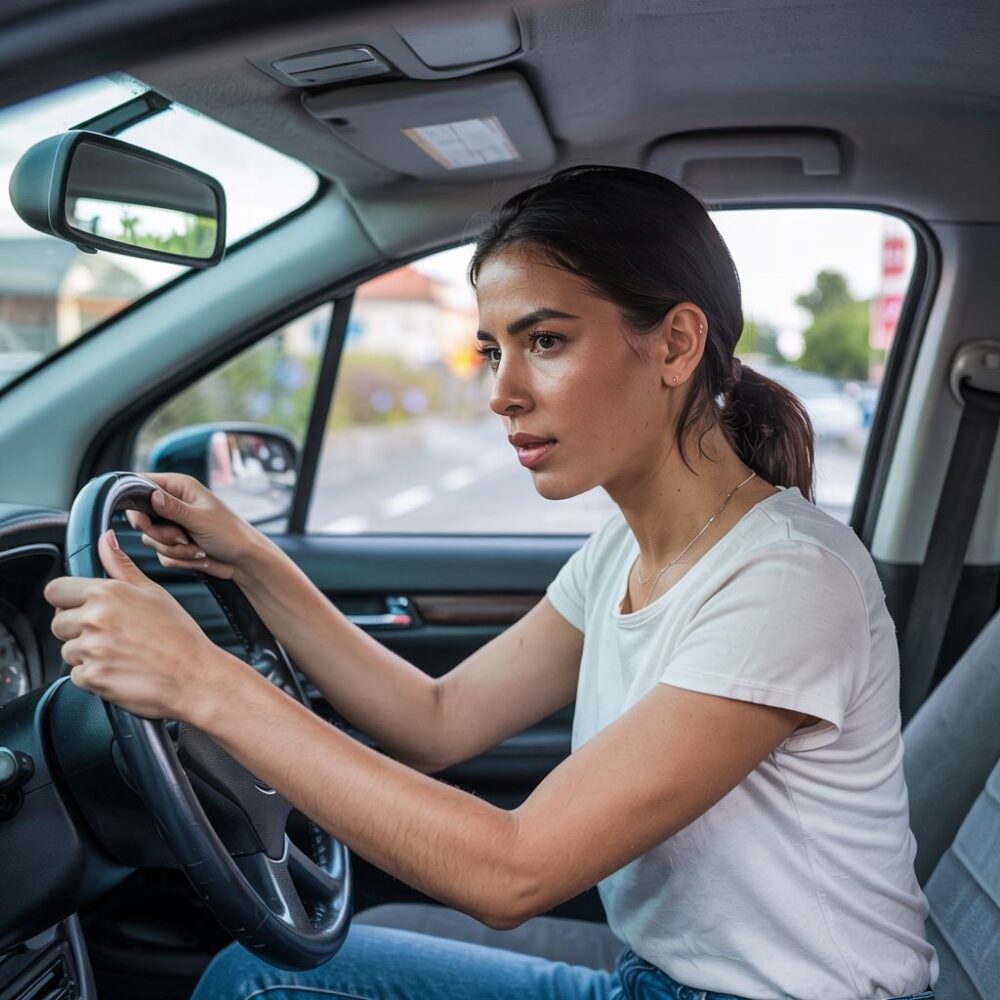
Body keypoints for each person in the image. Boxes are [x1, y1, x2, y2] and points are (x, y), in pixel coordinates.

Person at [44, 166, 937, 1000]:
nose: (502, 392)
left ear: (674, 342)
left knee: (263, 981)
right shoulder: (623, 551)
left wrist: (201, 681)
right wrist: (250, 559)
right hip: (660, 976)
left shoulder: (786, 578)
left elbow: (515, 871)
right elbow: (438, 722)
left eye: (545, 340)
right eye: (491, 350)